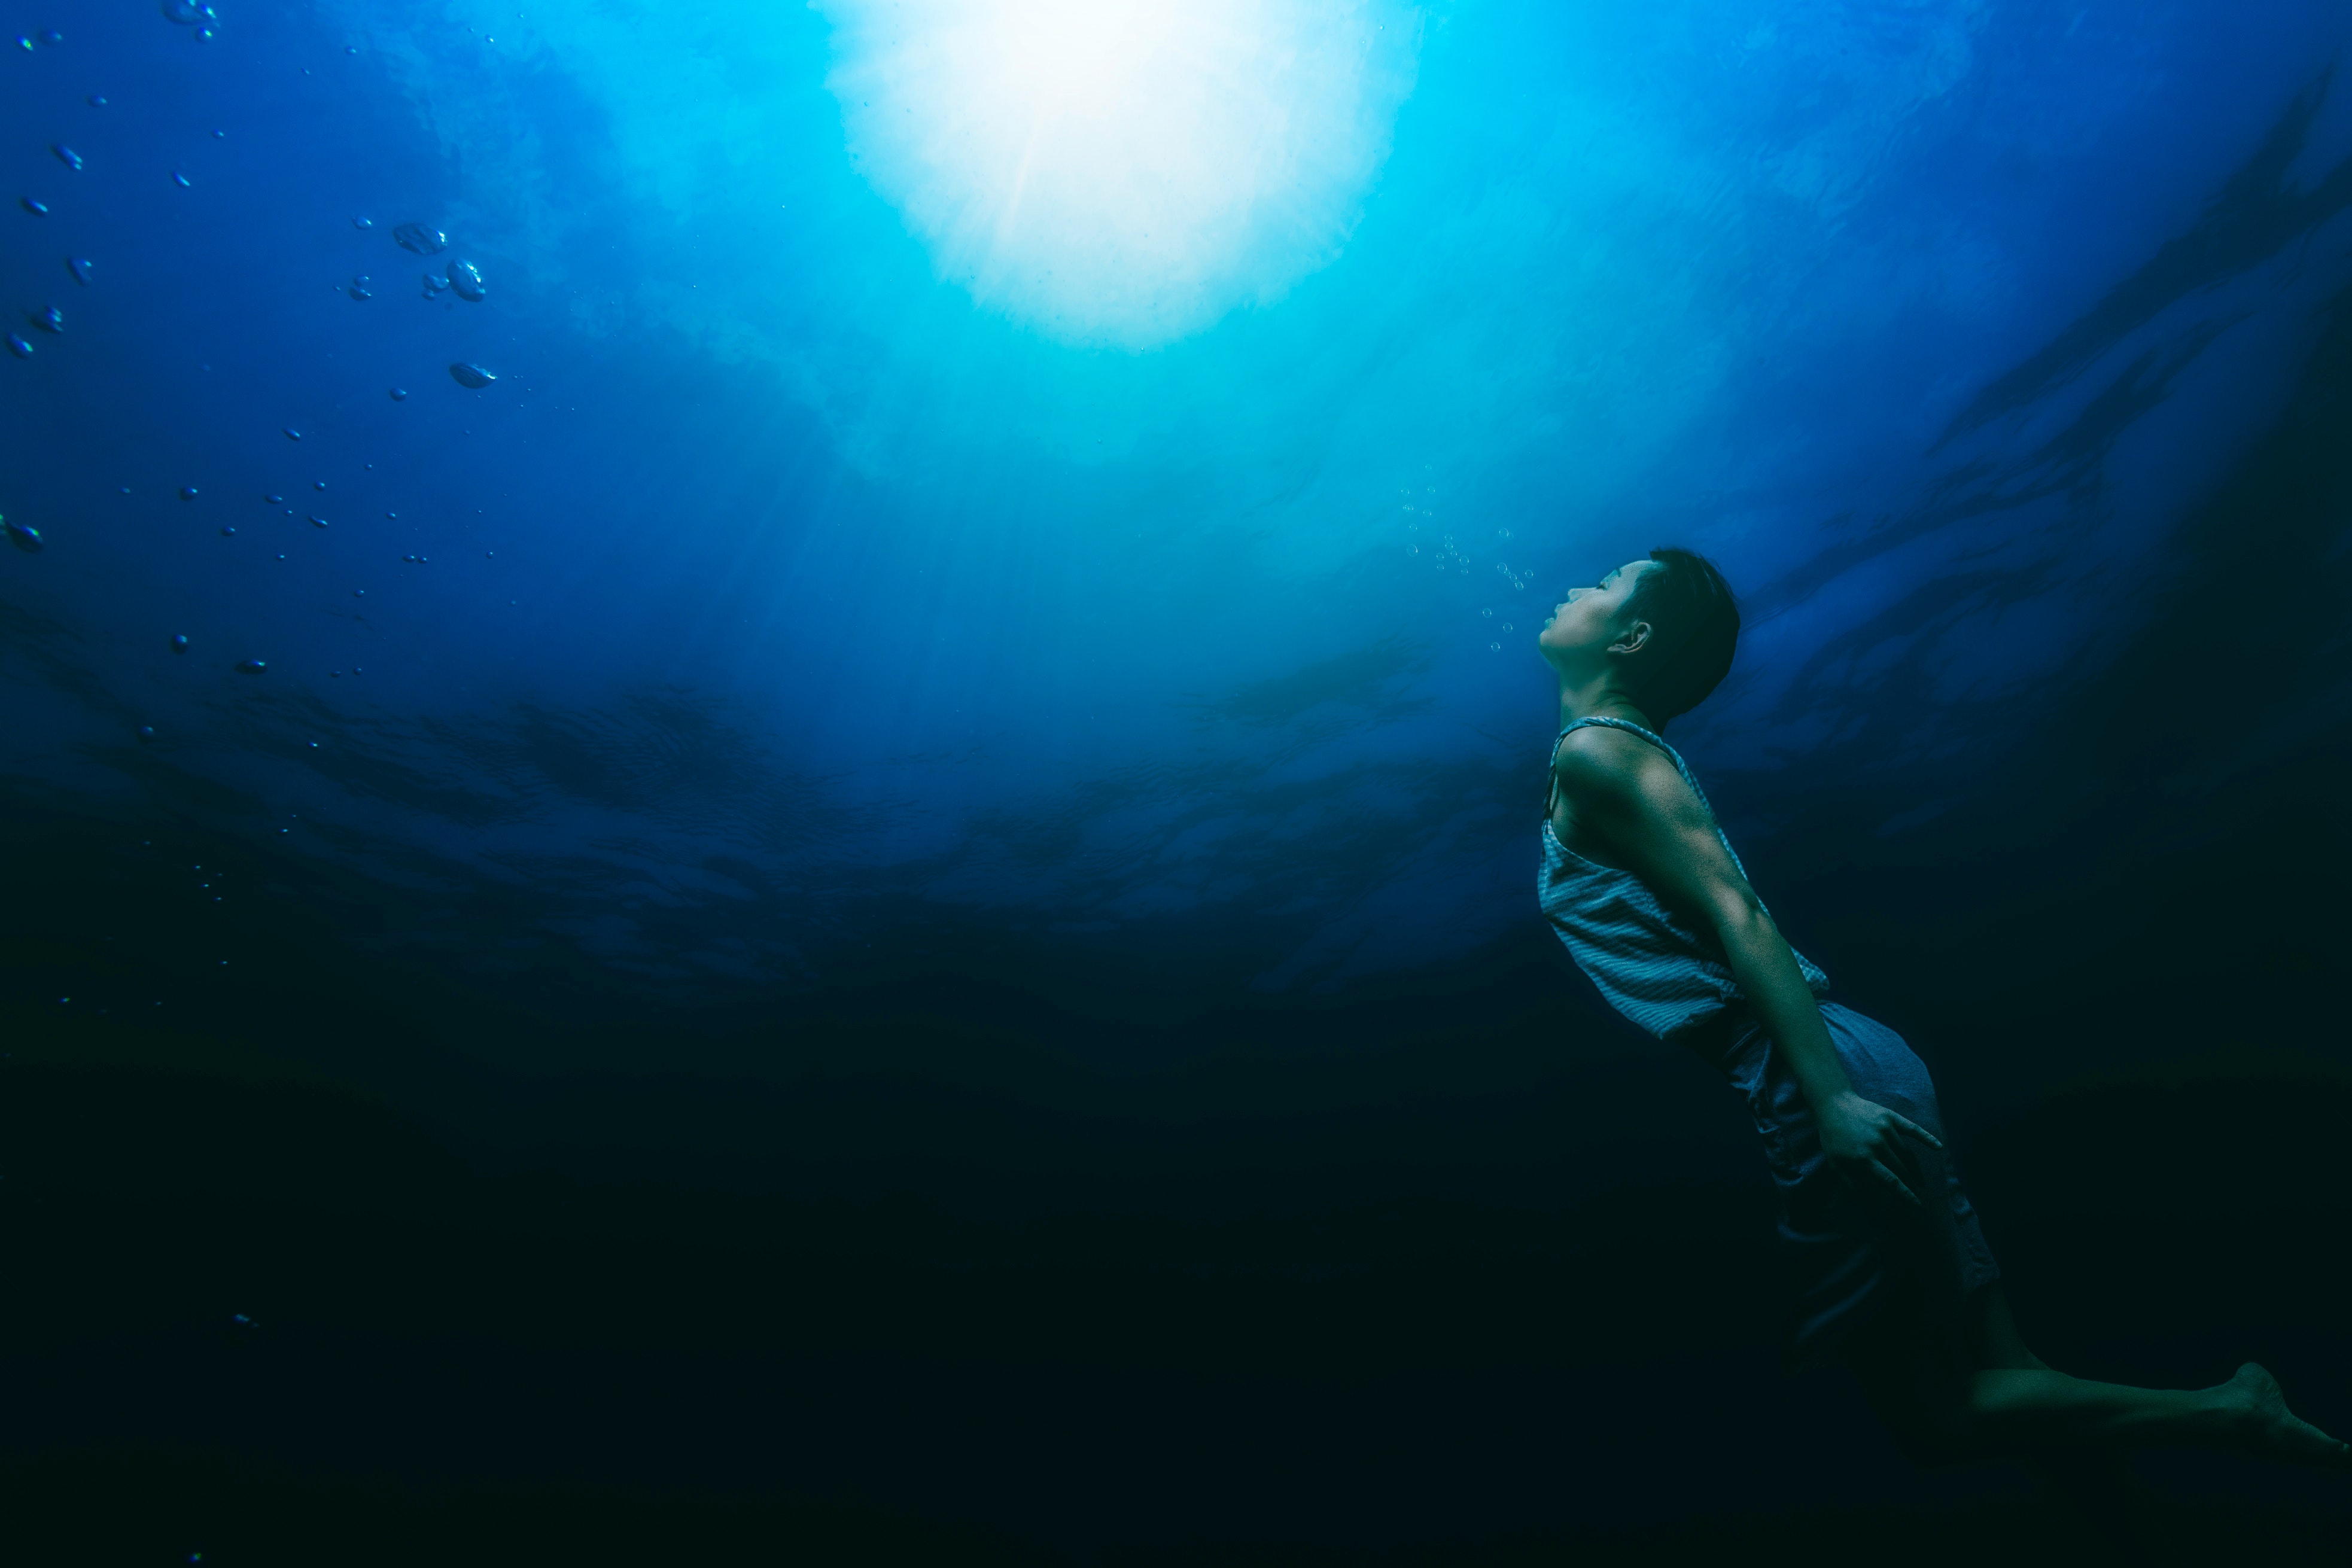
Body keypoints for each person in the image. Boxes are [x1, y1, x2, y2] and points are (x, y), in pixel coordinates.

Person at [1536, 547, 2348, 1467]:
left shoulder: (1600, 751)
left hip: (1819, 1077)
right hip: (1850, 1059)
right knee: (2013, 1373)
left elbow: (1740, 913)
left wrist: (1834, 1101)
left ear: (1634, 635)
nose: (1576, 587)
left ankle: (2234, 1411)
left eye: (1603, 584)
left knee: (1937, 1411)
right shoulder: (1609, 755)